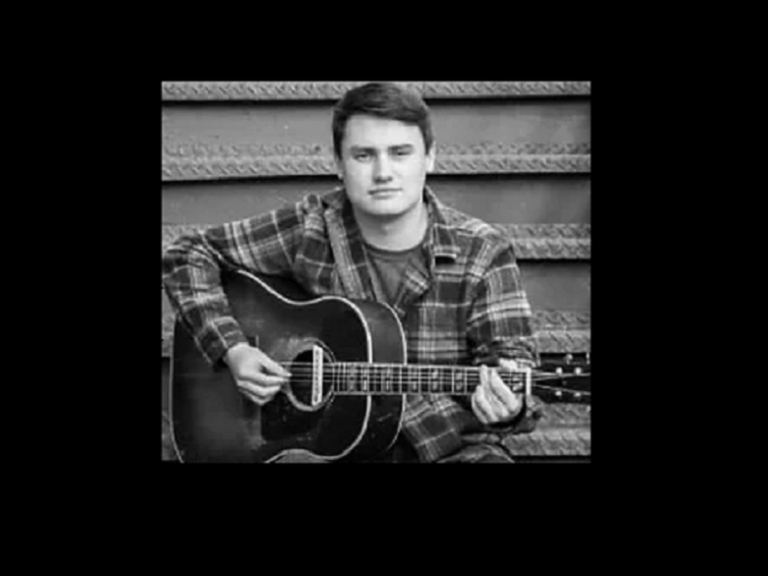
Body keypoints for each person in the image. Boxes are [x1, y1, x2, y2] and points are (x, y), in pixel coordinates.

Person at [162, 81, 542, 463]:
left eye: (400, 153)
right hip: (323, 451)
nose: (383, 172)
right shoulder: (311, 227)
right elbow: (187, 254)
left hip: (443, 451)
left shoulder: (482, 251)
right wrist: (233, 349)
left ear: (429, 158)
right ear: (338, 164)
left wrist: (511, 406)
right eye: (363, 155)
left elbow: (511, 364)